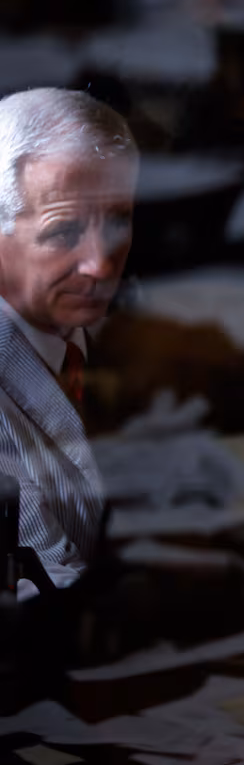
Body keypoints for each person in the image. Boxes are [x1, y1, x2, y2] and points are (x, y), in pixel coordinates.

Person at [0, 88, 138, 598]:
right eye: (63, 231)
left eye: (118, 220)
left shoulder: (128, 336)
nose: (101, 265)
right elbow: (49, 585)